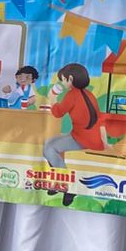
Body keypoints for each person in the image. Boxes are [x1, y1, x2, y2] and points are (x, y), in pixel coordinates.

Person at [43, 63, 106, 202]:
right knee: (48, 142)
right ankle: (57, 181)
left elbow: (58, 113)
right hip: (86, 135)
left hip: (83, 139)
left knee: (49, 149)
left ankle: (69, 186)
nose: (63, 82)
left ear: (70, 78)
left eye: (64, 79)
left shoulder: (72, 95)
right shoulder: (89, 94)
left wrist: (52, 98)